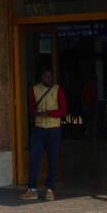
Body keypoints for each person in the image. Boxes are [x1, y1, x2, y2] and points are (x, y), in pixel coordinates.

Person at [21, 69, 67, 201]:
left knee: (53, 159)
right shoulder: (35, 90)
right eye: (46, 76)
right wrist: (36, 112)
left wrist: (50, 113)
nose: (48, 78)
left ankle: (50, 189)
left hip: (53, 129)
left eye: (50, 76)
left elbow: (63, 110)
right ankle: (32, 189)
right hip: (38, 128)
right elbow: (30, 109)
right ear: (41, 77)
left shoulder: (58, 90)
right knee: (34, 159)